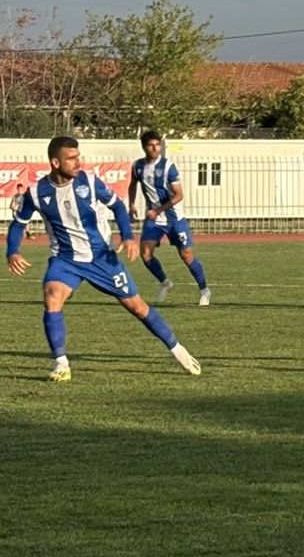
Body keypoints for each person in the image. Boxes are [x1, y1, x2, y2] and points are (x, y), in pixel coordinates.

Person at [5, 135, 202, 382]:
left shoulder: (88, 181)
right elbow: (18, 224)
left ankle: (177, 349)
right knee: (52, 296)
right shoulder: (36, 192)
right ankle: (61, 364)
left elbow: (117, 206)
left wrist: (128, 236)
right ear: (55, 163)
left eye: (78, 157)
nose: (78, 162)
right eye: (71, 158)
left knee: (138, 307)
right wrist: (12, 251)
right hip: (66, 260)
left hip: (101, 258)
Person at [129, 130, 213, 307]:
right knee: (146, 254)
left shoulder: (168, 167)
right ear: (144, 147)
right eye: (151, 145)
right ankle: (165, 283)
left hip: (174, 219)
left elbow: (179, 195)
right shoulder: (137, 166)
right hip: (154, 219)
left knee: (186, 255)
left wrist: (159, 210)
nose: (155, 148)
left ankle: (204, 289)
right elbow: (133, 184)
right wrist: (131, 204)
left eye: (157, 144)